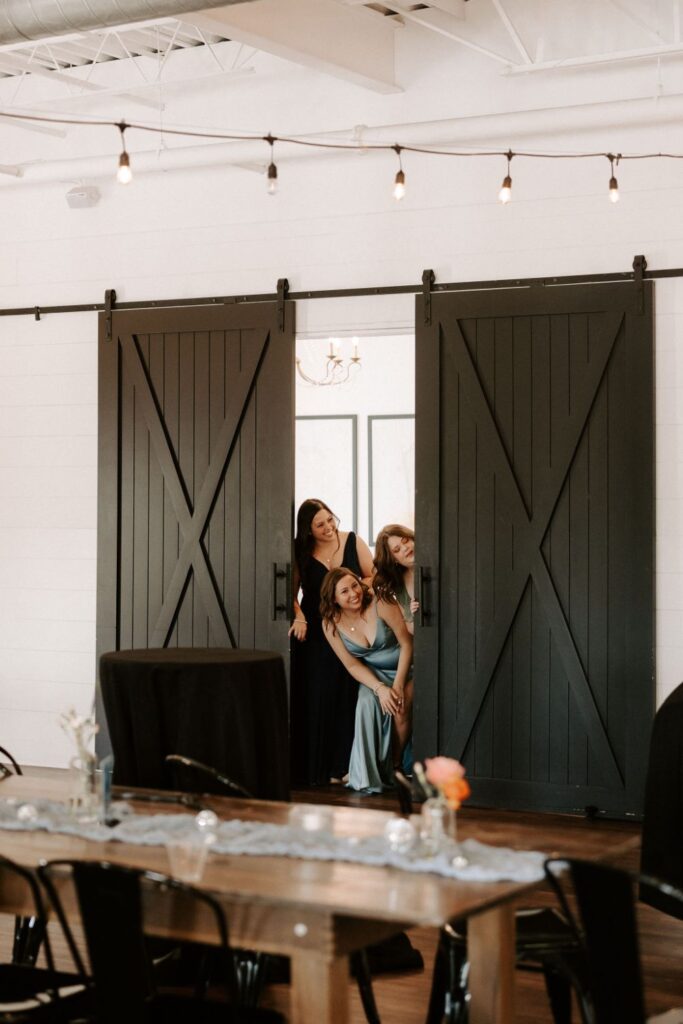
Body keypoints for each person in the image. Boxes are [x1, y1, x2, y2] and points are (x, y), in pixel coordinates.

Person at [288, 499, 374, 786]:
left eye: (330, 519)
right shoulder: (301, 551)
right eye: (320, 524)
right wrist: (299, 616)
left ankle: (345, 765)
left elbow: (372, 575)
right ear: (308, 530)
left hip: (349, 622)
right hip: (315, 630)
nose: (329, 527)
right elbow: (289, 592)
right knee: (318, 694)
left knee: (347, 690)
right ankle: (317, 767)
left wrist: (355, 595)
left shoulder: (352, 541)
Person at [320, 567, 413, 793]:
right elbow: (352, 664)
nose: (353, 593)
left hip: (407, 668)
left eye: (354, 585)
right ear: (334, 598)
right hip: (374, 676)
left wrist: (398, 684)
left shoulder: (381, 603)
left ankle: (395, 766)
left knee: (399, 706)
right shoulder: (330, 623)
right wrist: (379, 688)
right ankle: (369, 772)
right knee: (365, 702)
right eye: (344, 591)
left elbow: (408, 643)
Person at [373, 524, 419, 634]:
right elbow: (411, 629)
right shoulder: (398, 584)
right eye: (397, 550)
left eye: (406, 541)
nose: (405, 548)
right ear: (394, 560)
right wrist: (414, 616)